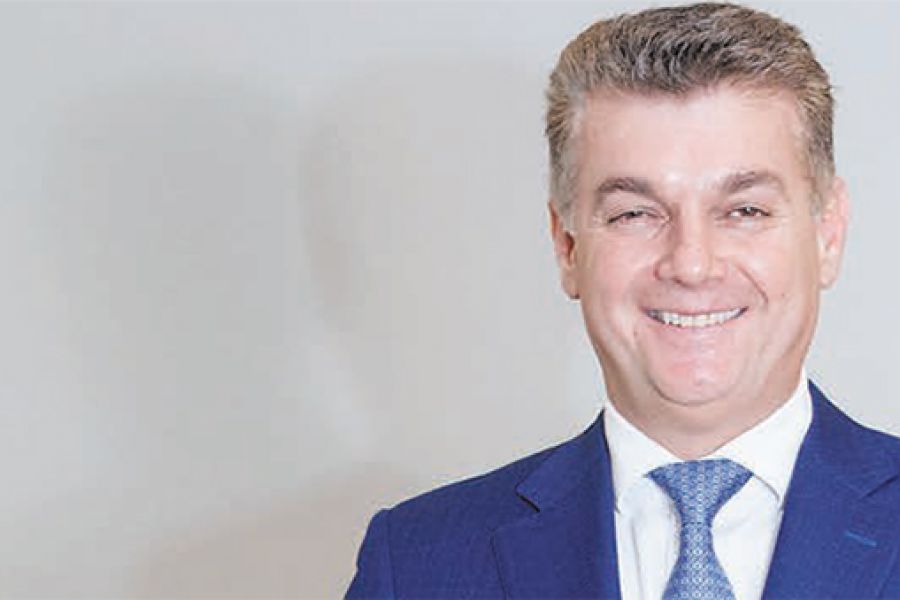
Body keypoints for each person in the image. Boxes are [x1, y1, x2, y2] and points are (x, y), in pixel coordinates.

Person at [346, 3, 900, 598]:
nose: (691, 264)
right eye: (635, 214)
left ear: (828, 234)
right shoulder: (417, 565)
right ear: (566, 246)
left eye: (744, 211)